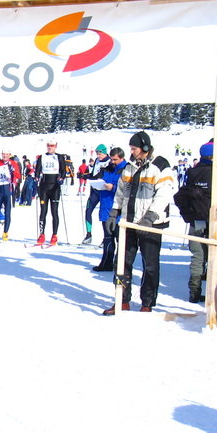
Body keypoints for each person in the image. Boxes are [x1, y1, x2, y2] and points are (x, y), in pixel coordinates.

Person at [103, 131, 175, 315]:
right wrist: (114, 212)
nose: (131, 152)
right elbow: (121, 192)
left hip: (151, 224)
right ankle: (122, 300)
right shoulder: (129, 167)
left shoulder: (160, 166)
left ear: (144, 147)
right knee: (121, 263)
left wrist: (149, 217)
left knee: (150, 265)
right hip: (129, 223)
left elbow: (164, 194)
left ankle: (147, 303)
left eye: (134, 148)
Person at [175, 141, 213, 303]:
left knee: (198, 256)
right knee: (215, 257)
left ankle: (194, 292)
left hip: (196, 219)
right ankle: (214, 294)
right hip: (213, 220)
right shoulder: (215, 172)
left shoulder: (192, 171)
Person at [92, 148, 127, 272]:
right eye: (111, 159)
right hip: (106, 206)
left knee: (120, 238)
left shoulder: (126, 169)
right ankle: (106, 262)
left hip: (118, 208)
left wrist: (113, 187)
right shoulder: (108, 168)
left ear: (122, 158)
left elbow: (127, 188)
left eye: (115, 159)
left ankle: (120, 265)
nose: (113, 162)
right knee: (107, 237)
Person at [34, 139, 66, 245]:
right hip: (44, 187)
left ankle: (54, 235)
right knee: (43, 211)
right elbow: (37, 170)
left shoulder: (59, 157)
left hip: (55, 187)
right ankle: (41, 234)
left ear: (55, 146)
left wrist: (61, 178)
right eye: (48, 145)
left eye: (52, 146)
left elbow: (63, 170)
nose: (50, 147)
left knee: (54, 211)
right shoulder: (42, 157)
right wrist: (36, 178)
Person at [81, 144, 111, 244]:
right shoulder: (97, 160)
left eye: (100, 154)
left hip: (104, 191)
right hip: (94, 191)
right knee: (88, 211)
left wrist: (92, 177)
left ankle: (106, 238)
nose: (98, 156)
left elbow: (103, 175)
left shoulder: (109, 161)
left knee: (104, 215)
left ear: (105, 152)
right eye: (97, 154)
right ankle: (88, 234)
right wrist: (84, 175)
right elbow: (93, 174)